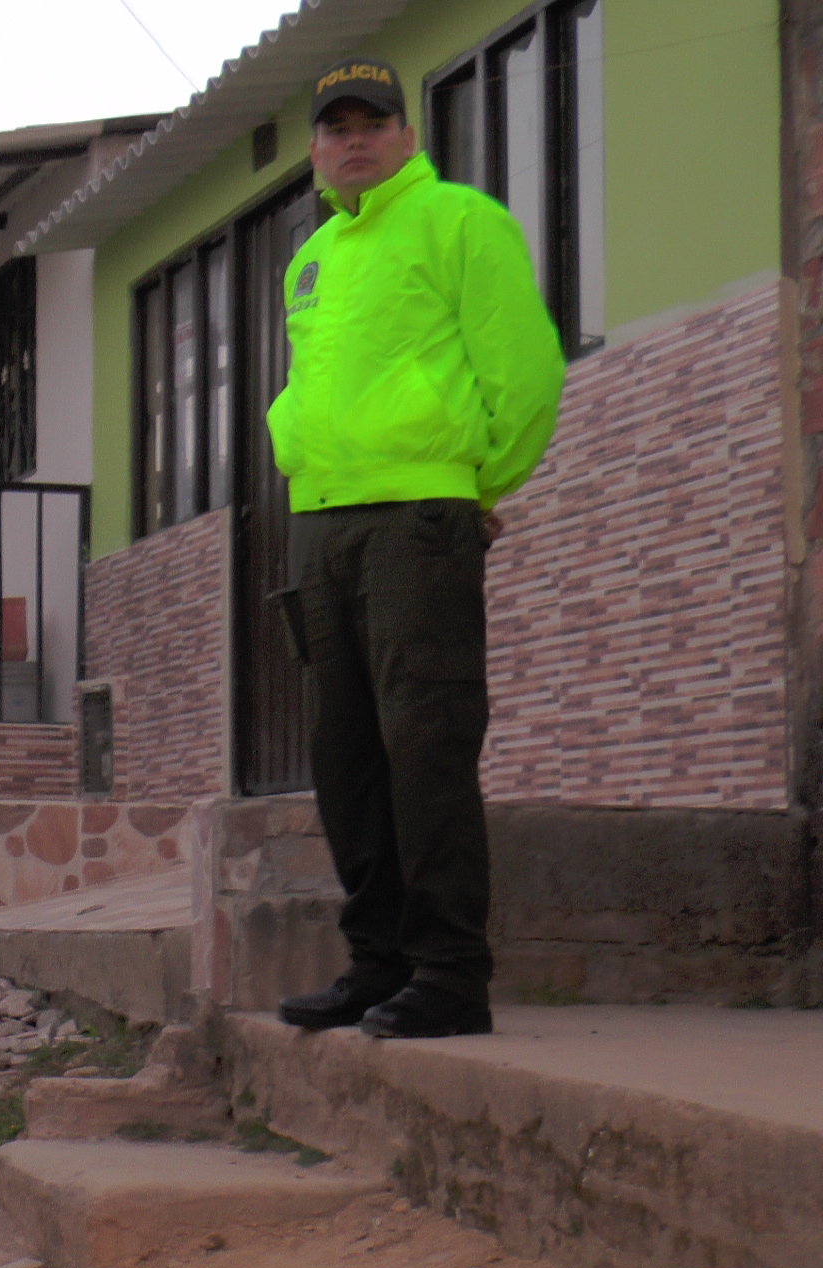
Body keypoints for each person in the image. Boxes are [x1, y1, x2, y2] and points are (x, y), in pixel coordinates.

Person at [268, 59, 565, 1039]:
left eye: (372, 121)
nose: (353, 138)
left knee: (425, 746)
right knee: (343, 755)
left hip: (418, 521)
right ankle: (379, 962)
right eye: (334, 126)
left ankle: (449, 973)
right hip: (321, 524)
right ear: (315, 150)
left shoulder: (462, 221)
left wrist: (478, 486)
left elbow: (523, 371)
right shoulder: (307, 259)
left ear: (406, 134)